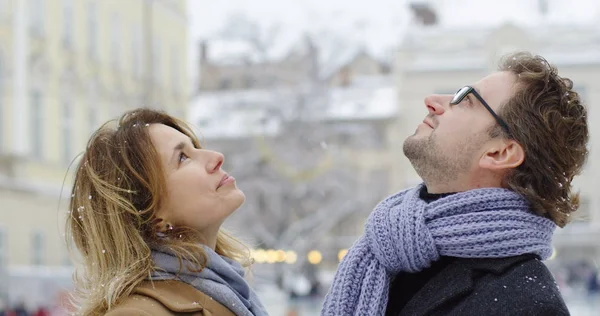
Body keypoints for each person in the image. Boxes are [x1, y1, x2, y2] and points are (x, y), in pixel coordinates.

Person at [321, 52, 589, 316]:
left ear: (499, 153)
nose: (432, 101)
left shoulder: (527, 305)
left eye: (465, 99)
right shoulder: (386, 254)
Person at [65, 109, 268, 316]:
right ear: (150, 214)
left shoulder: (231, 290)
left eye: (195, 147)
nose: (217, 157)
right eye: (183, 157)